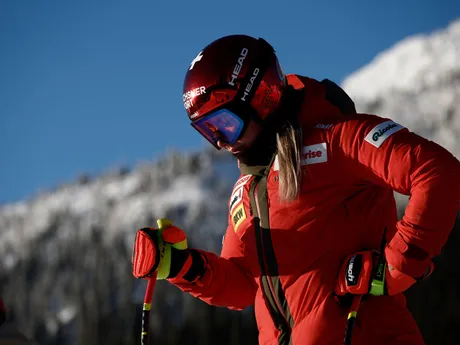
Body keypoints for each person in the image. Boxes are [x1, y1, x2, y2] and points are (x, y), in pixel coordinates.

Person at [132, 35, 460, 345]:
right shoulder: (246, 192)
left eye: (225, 125)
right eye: (209, 131)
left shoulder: (336, 141)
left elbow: (437, 171)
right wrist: (178, 265)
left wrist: (396, 267)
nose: (219, 142)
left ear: (260, 98)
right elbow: (246, 285)